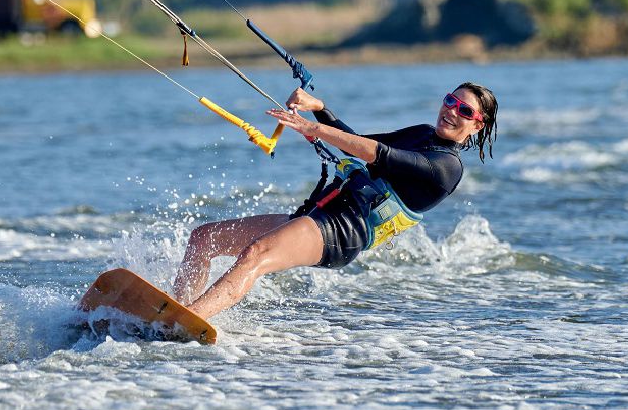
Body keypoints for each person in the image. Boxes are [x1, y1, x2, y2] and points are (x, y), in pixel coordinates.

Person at [172, 82, 498, 319]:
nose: (452, 111)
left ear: (476, 125)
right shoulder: (422, 132)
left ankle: (188, 320)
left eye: (465, 110)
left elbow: (378, 154)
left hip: (343, 232)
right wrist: (321, 110)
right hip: (322, 211)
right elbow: (358, 142)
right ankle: (174, 309)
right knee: (204, 238)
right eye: (451, 100)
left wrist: (313, 128)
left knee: (255, 254)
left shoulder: (448, 167)